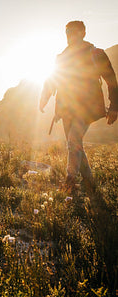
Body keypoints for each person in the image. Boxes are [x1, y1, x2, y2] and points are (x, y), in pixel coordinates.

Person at [39, 21, 118, 192]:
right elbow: (53, 79)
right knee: (75, 144)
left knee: (73, 140)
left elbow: (111, 80)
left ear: (83, 32)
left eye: (73, 31)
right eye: (67, 31)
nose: (69, 34)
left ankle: (70, 180)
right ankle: (89, 182)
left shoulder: (96, 54)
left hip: (88, 108)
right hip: (66, 109)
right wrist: (44, 98)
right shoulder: (61, 57)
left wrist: (114, 106)